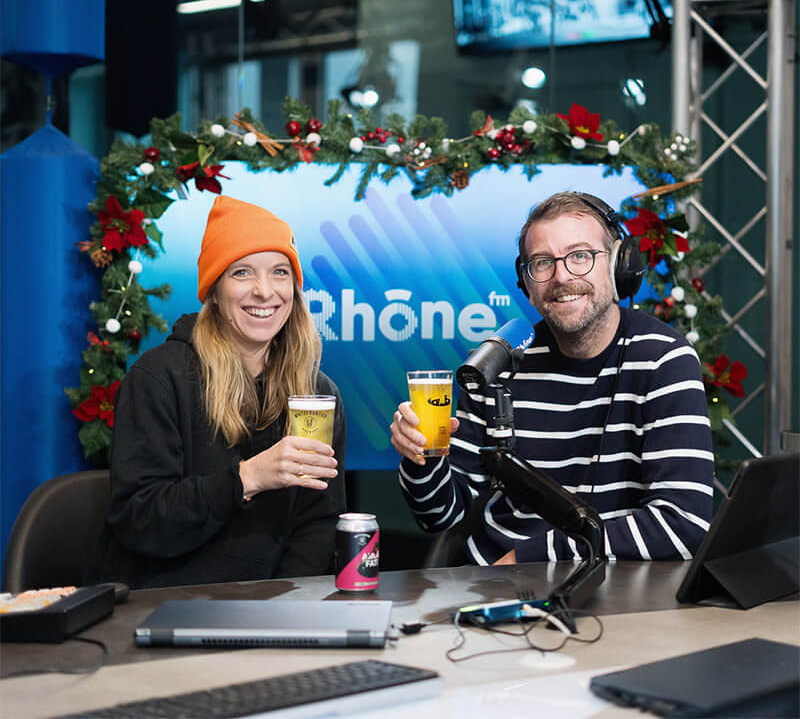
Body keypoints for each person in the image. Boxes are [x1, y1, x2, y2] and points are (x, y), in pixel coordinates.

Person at [391, 191, 713, 565]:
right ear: (526, 282)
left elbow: (683, 525)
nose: (562, 277)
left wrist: (529, 558)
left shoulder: (663, 358)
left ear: (619, 266)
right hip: (491, 587)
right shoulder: (499, 362)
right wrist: (423, 459)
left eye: (580, 256)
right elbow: (441, 516)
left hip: (614, 593)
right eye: (543, 263)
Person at [89, 195, 345, 588]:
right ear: (214, 288)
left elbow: (319, 524)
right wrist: (248, 478)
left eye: (279, 272)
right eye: (242, 273)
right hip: (164, 607)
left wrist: (284, 605)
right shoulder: (157, 378)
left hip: (275, 614)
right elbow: (140, 520)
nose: (264, 291)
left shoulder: (318, 394)